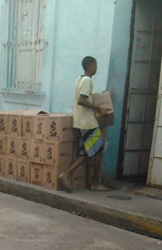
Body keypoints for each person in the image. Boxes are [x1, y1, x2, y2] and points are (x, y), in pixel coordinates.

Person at [58, 56, 110, 193]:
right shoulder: (87, 81)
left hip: (81, 122)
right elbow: (82, 100)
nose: (97, 68)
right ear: (90, 66)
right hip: (88, 123)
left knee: (87, 152)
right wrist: (99, 108)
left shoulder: (80, 79)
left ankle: (68, 175)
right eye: (95, 65)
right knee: (97, 151)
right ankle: (94, 183)